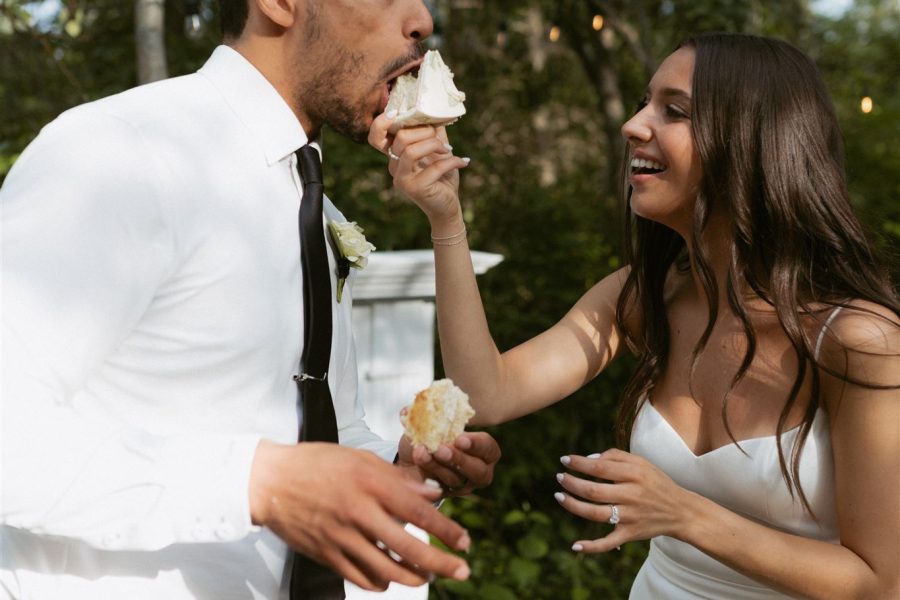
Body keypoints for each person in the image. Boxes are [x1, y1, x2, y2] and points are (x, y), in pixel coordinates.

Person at [370, 32, 900, 599]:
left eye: (673, 111)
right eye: (644, 102)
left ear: (751, 141)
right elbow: (489, 391)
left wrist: (686, 514)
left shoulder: (859, 341)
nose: (633, 124)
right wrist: (446, 217)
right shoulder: (644, 297)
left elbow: (880, 582)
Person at [0, 1, 502, 598]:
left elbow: (319, 430)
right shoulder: (120, 152)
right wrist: (258, 483)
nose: (421, 19)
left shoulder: (311, 203)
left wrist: (400, 470)